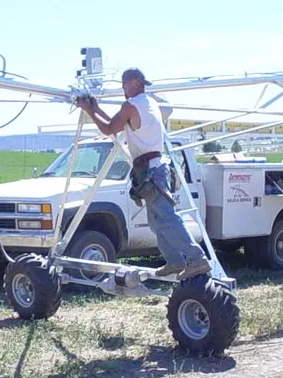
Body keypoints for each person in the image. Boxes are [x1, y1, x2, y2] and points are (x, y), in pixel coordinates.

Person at [75, 68, 210, 280]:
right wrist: (97, 109)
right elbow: (119, 123)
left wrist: (89, 111)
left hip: (150, 170)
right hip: (154, 167)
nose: (122, 88)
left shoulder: (130, 105)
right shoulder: (148, 103)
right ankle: (174, 261)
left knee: (166, 218)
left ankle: (196, 259)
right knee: (157, 221)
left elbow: (110, 129)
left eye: (124, 84)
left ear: (135, 82)